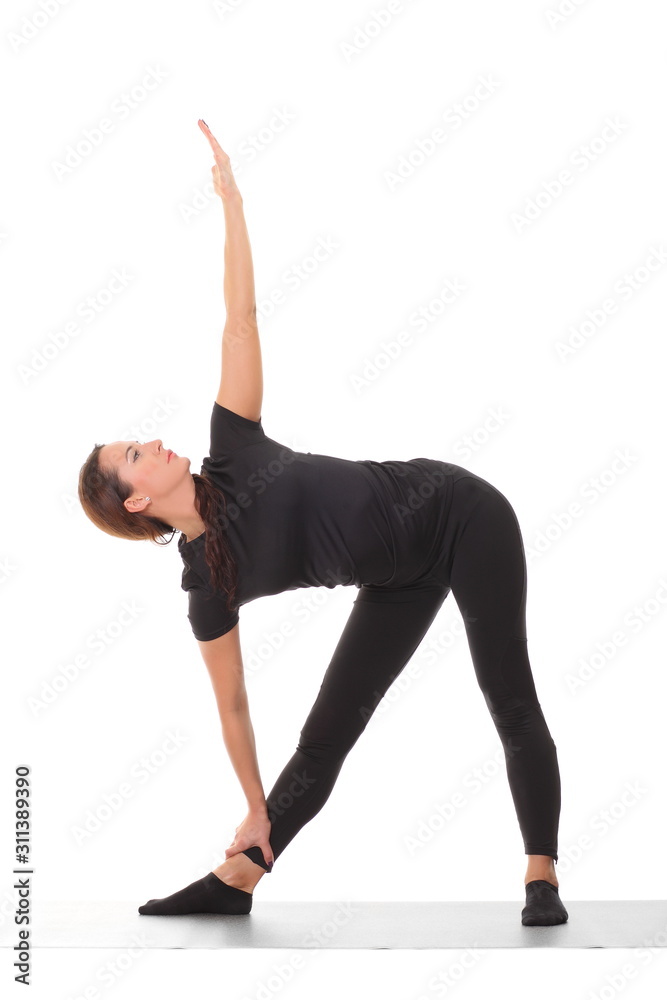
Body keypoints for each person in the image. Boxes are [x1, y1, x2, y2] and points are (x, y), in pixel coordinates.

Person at [77, 120, 567, 927]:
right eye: (135, 452)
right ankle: (238, 878)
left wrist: (232, 204)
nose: (154, 441)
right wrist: (250, 804)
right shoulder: (205, 587)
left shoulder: (232, 446)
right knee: (324, 736)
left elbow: (239, 318)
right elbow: (233, 707)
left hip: (461, 512)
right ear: (133, 500)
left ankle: (540, 876)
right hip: (398, 577)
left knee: (506, 697)